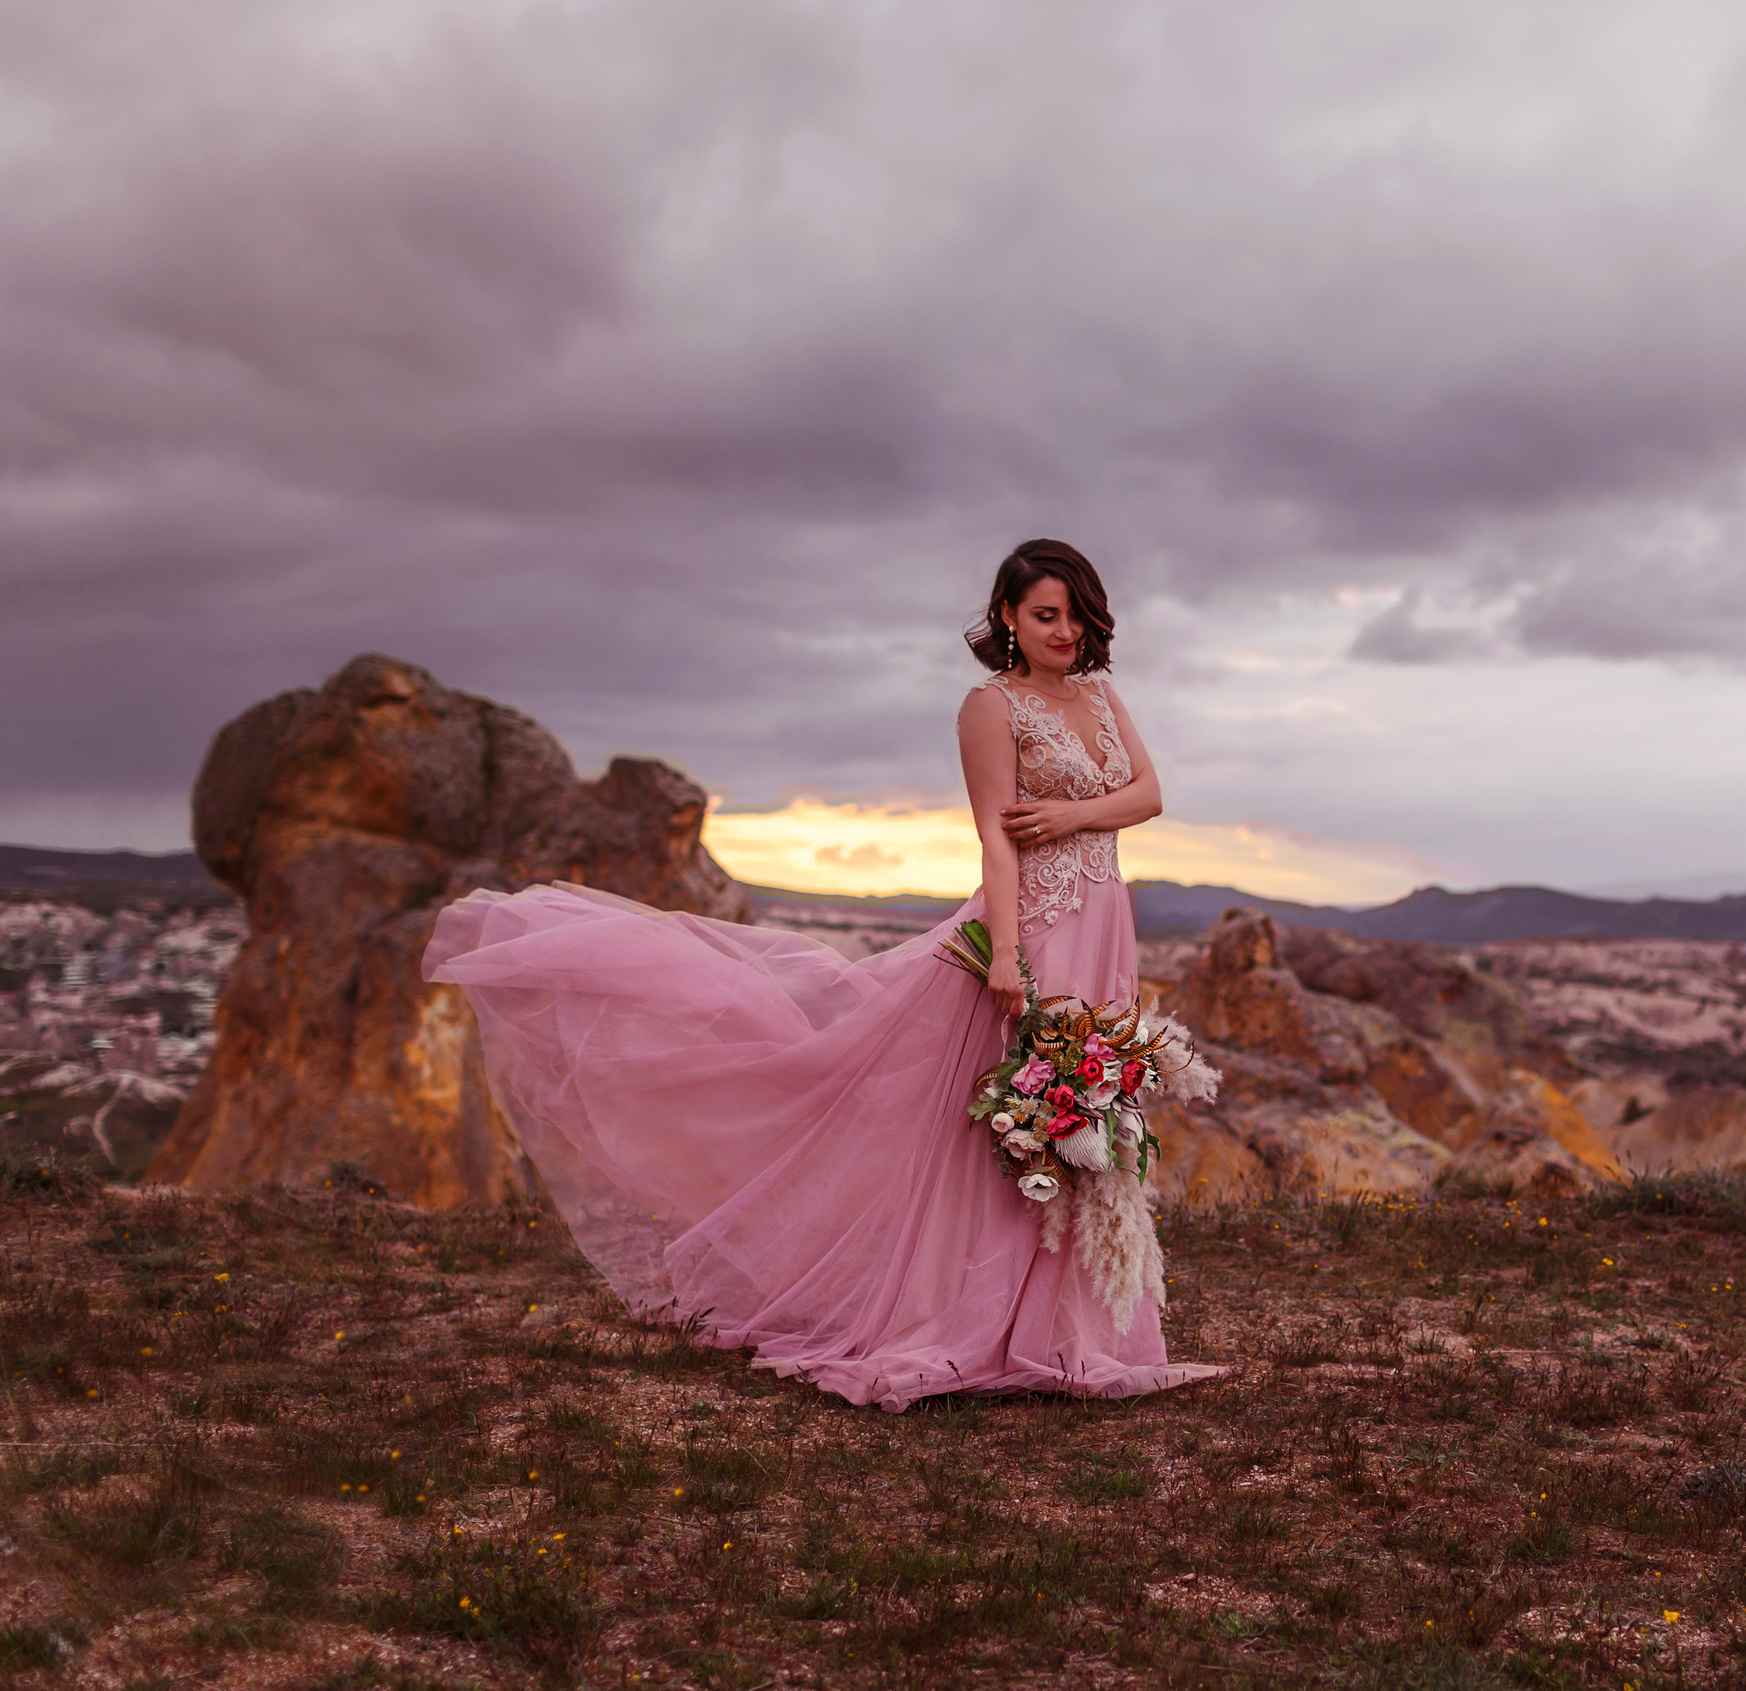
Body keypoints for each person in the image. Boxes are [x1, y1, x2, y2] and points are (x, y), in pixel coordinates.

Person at [421, 539, 1224, 1410]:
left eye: (1073, 613)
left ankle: (1077, 1327)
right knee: (1004, 1118)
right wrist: (1005, 953)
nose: (1063, 630)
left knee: (1084, 1107)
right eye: (1044, 615)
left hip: (1104, 918)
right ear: (1006, 618)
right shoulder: (989, 706)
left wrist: (1070, 811)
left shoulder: (1101, 695)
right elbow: (995, 833)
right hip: (1029, 920)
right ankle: (980, 1320)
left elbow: (1147, 796)